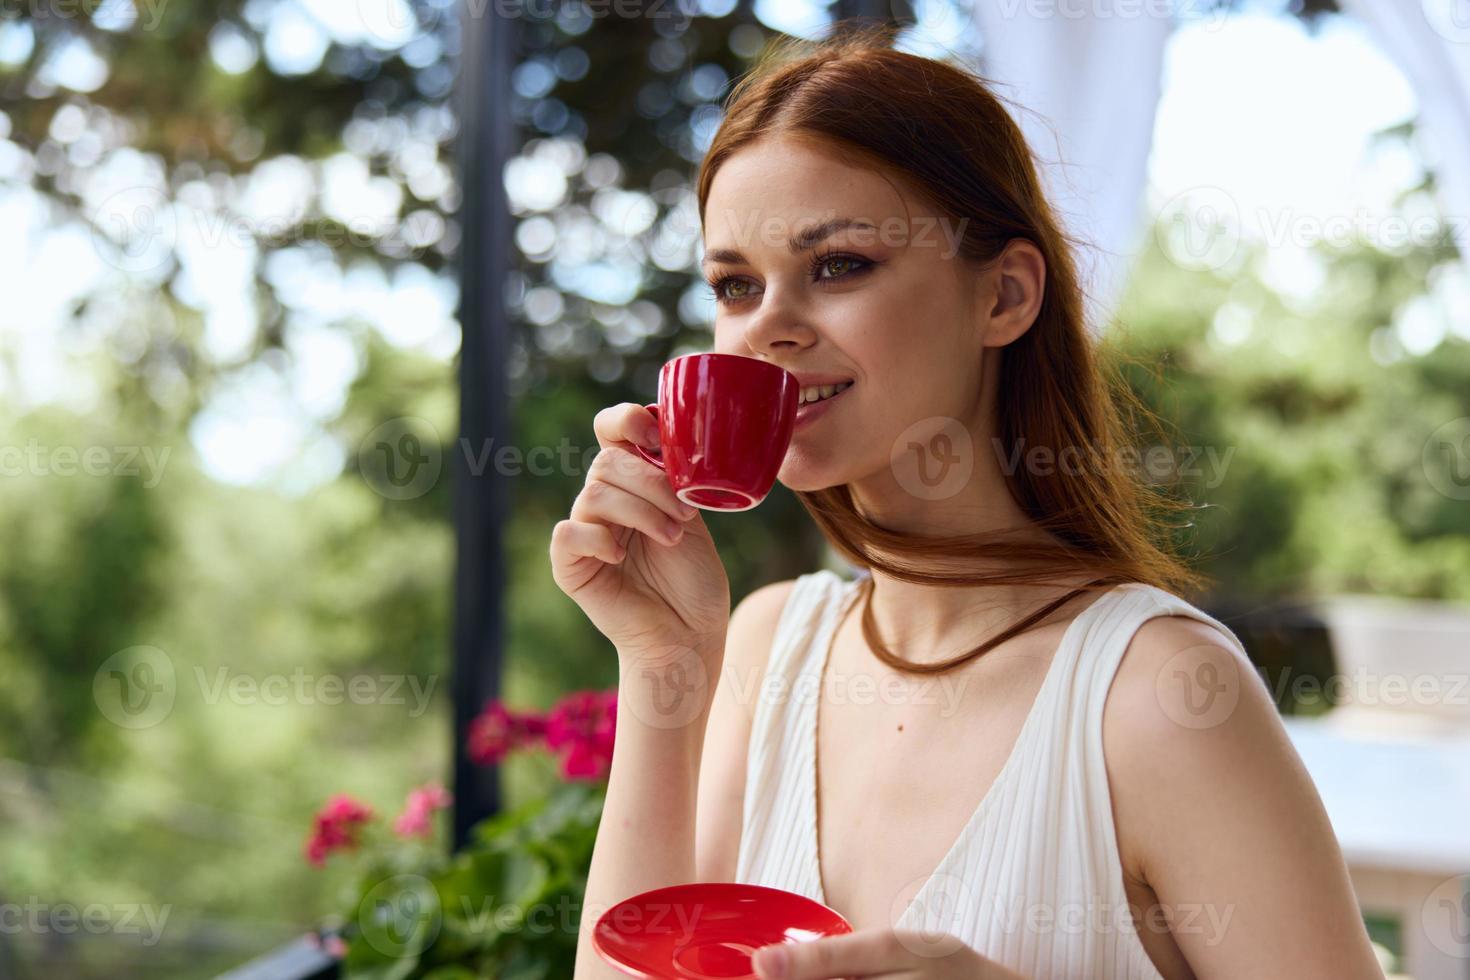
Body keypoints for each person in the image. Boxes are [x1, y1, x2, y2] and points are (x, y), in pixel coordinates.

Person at [551, 24, 1383, 980]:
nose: (766, 327)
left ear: (1005, 296)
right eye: (735, 285)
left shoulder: (1157, 697)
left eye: (839, 264)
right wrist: (664, 661)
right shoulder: (767, 645)